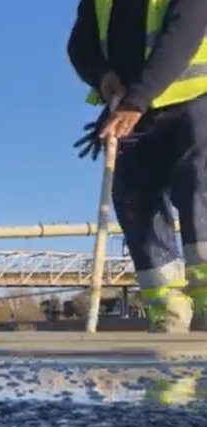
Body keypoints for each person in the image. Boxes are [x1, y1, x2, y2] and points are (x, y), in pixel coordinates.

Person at [68, 0, 207, 333]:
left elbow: (185, 30)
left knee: (198, 188)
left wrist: (136, 100)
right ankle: (167, 311)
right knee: (134, 201)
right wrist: (102, 76)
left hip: (195, 100)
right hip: (134, 111)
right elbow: (80, 44)